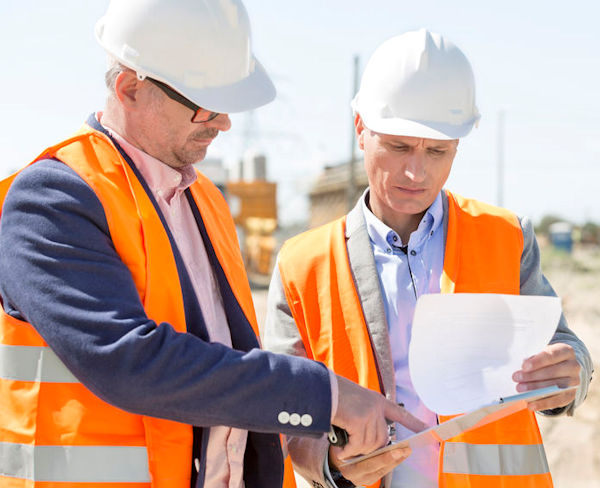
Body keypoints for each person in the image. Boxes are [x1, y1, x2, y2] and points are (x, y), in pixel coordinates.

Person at [0, 2, 424, 487]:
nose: (222, 123)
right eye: (205, 104)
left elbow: (226, 376)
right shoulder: (53, 199)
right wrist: (323, 395)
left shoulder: (206, 201)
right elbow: (128, 361)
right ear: (130, 88)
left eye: (228, 105)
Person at [263, 29, 593, 488]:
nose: (417, 172)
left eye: (437, 151)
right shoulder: (301, 264)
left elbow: (564, 347)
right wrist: (330, 460)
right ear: (361, 128)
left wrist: (571, 369)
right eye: (399, 147)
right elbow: (279, 408)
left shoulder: (506, 236)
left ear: (459, 144)